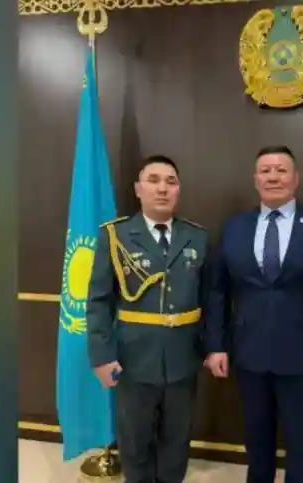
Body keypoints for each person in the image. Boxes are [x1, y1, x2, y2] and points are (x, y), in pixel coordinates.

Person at [204, 145, 303, 483]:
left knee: (301, 444)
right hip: (249, 353)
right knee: (256, 442)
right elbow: (217, 291)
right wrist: (215, 345)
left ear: (296, 178)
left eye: (281, 170)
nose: (273, 177)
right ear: (255, 179)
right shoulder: (234, 227)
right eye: (265, 171)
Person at [86, 155, 210, 483]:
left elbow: (210, 299)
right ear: (138, 189)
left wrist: (212, 347)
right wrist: (101, 355)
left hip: (183, 358)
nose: (163, 188)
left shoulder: (196, 237)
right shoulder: (116, 236)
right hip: (133, 359)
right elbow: (99, 300)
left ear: (179, 190)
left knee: (177, 441)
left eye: (171, 181)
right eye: (153, 180)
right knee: (135, 442)